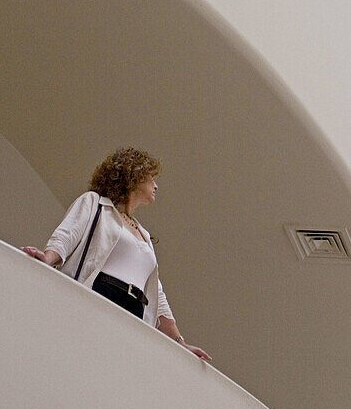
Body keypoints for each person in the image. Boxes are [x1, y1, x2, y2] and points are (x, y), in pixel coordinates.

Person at [22, 146, 210, 361]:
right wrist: (47, 258)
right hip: (102, 293)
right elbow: (67, 235)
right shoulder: (96, 204)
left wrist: (180, 342)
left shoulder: (145, 236)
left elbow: (157, 296)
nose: (156, 186)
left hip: (136, 310)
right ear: (134, 175)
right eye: (151, 178)